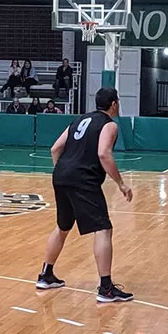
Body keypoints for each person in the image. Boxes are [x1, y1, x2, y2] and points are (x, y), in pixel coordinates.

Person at [36, 87, 135, 302]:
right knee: (103, 229)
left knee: (63, 227)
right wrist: (121, 184)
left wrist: (63, 172)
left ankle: (46, 275)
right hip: (83, 179)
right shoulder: (109, 125)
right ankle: (106, 288)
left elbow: (55, 148)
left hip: (61, 175)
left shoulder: (78, 120)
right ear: (114, 104)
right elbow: (103, 153)